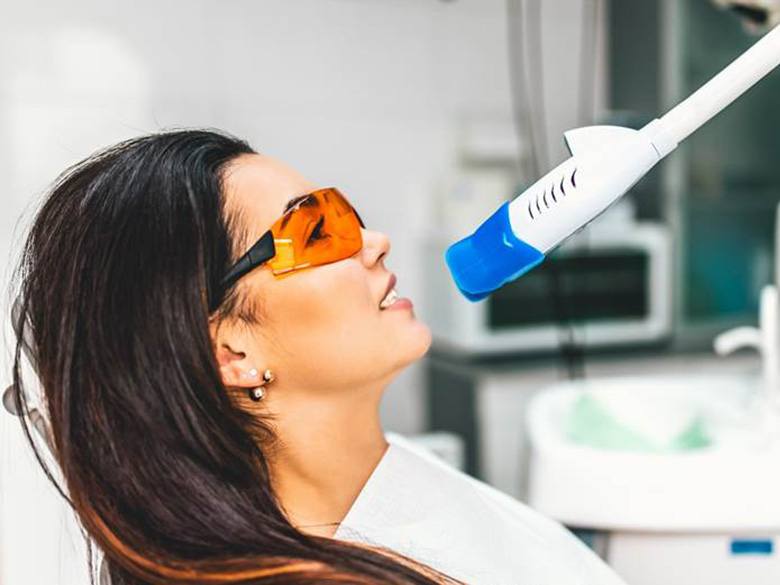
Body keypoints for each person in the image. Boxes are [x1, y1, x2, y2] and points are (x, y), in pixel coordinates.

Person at [10, 129, 625, 585]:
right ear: (230, 351)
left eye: (345, 214)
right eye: (316, 230)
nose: (375, 242)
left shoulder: (380, 474)